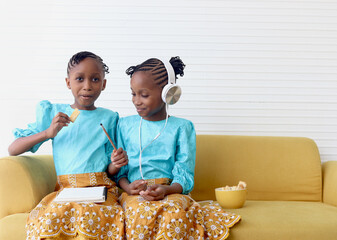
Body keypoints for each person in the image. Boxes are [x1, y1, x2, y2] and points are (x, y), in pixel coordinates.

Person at [115, 56, 241, 239]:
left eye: (144, 95)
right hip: (135, 195)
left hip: (170, 191)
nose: (136, 101)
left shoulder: (182, 127)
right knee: (138, 215)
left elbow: (185, 173)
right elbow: (121, 172)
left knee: (175, 215)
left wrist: (166, 190)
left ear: (168, 92)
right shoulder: (124, 125)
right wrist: (127, 188)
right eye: (133, 94)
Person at [8, 51, 127, 239]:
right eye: (79, 79)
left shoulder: (109, 118)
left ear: (103, 84)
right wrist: (48, 133)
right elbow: (13, 149)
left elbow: (111, 170)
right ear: (68, 82)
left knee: (97, 217)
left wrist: (116, 162)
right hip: (66, 191)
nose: (87, 86)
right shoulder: (54, 114)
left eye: (95, 79)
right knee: (51, 220)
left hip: (100, 189)